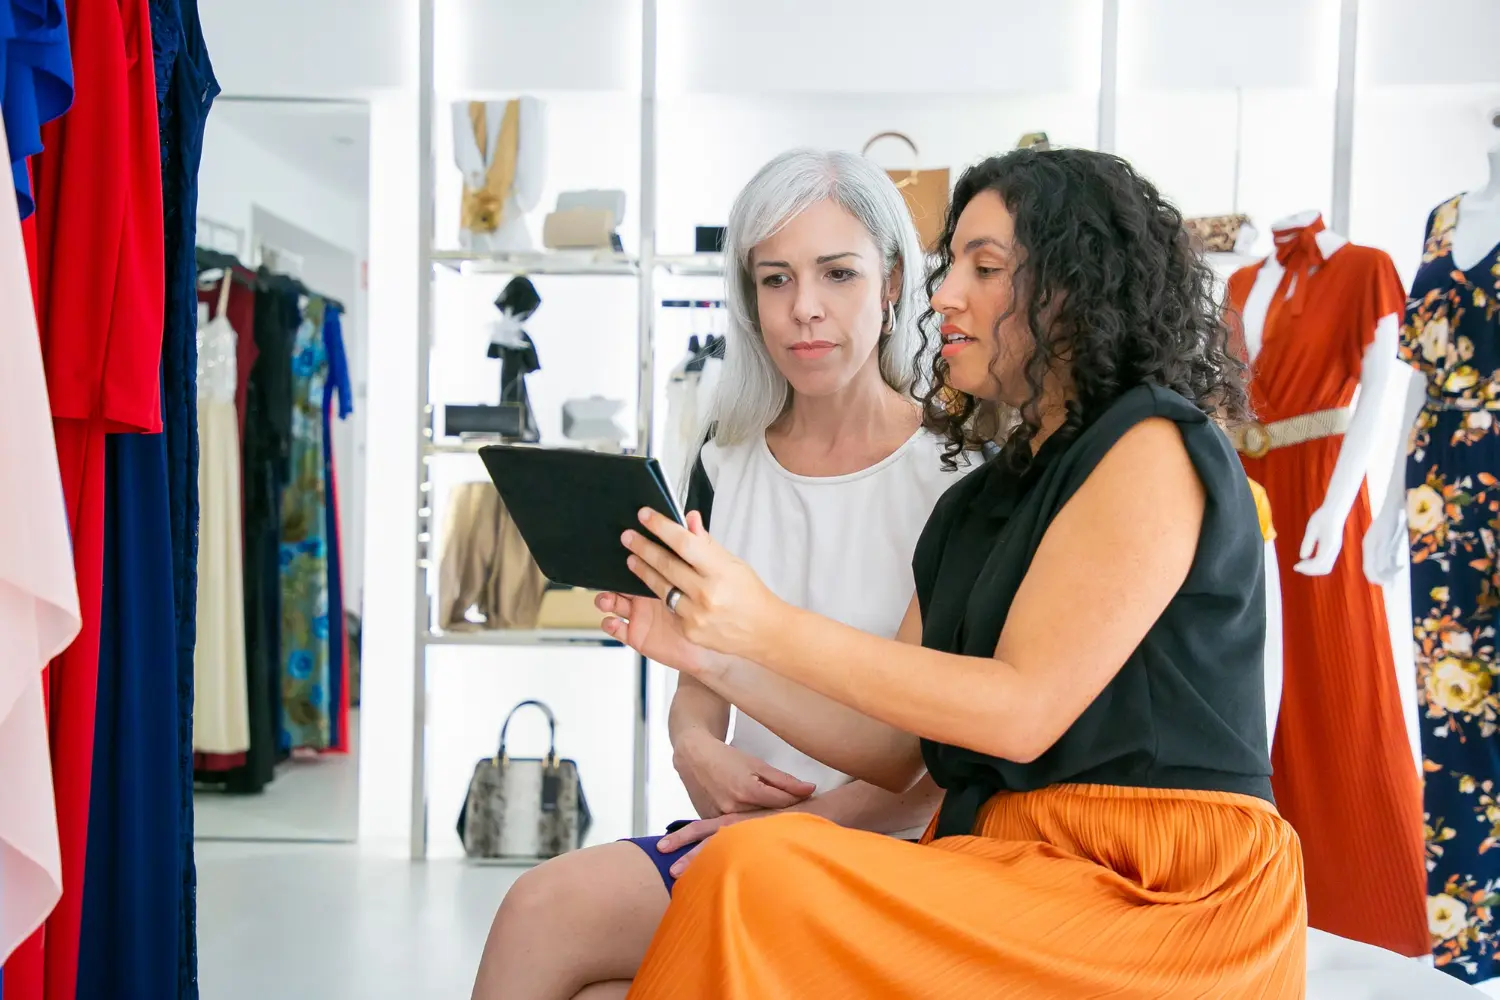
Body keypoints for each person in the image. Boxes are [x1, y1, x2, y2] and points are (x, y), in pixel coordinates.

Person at [605, 148, 1309, 997]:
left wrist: (765, 624)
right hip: (1006, 862)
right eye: (950, 268)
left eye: (986, 268)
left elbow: (1019, 714)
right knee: (723, 888)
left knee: (750, 873)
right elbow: (891, 751)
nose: (944, 298)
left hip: (1165, 888)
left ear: (1074, 289)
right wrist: (708, 657)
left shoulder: (1151, 445)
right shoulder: (976, 503)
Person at [470, 148, 967, 1000]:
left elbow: (928, 763)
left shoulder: (959, 474)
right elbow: (700, 675)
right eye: (774, 280)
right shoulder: (724, 462)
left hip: (898, 850)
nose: (804, 309)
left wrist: (787, 830)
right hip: (745, 835)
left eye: (837, 274)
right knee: (536, 912)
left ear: (891, 284)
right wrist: (694, 745)